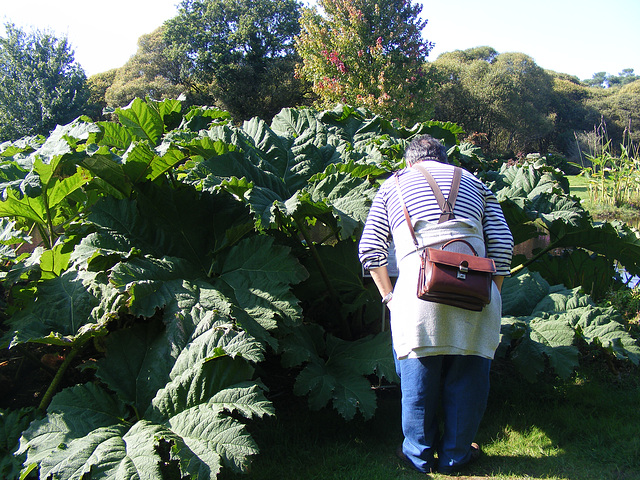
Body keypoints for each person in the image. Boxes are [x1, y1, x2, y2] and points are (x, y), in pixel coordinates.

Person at [358, 135, 513, 474]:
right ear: (445, 160)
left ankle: (418, 456)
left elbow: (370, 248)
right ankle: (457, 456)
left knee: (418, 372)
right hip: (477, 288)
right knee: (470, 371)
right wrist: (492, 292)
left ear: (409, 162)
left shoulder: (392, 186)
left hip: (417, 290)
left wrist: (390, 298)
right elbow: (502, 243)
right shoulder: (476, 182)